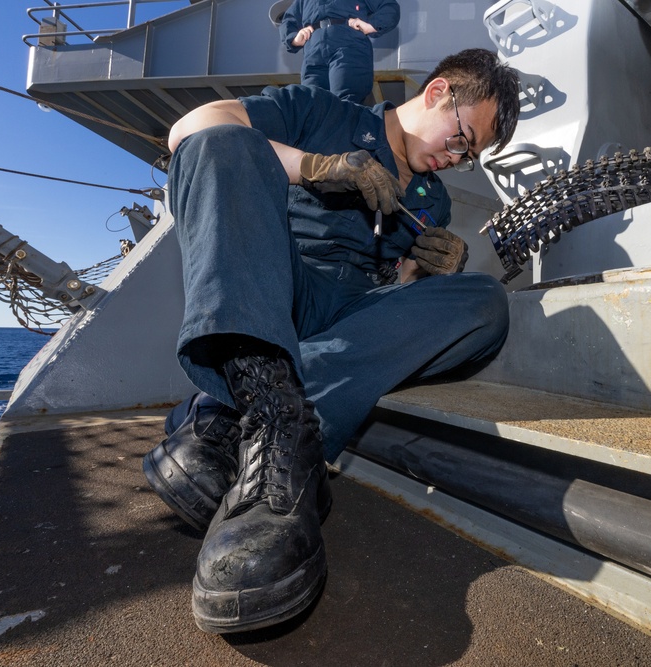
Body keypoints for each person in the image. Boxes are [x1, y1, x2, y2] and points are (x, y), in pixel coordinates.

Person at [143, 48, 520, 634]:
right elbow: (191, 129)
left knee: (483, 301)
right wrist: (314, 167)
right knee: (219, 144)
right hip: (279, 293)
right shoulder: (320, 112)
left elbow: (392, 310)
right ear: (439, 92)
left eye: (467, 157)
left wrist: (428, 273)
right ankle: (276, 425)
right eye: (461, 139)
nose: (455, 158)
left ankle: (239, 413)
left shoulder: (434, 200)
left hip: (353, 312)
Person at [279, 0, 400, 104]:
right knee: (312, 106)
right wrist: (294, 38)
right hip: (314, 53)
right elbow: (289, 19)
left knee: (345, 103)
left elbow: (389, 7)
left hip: (348, 45)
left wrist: (371, 25)